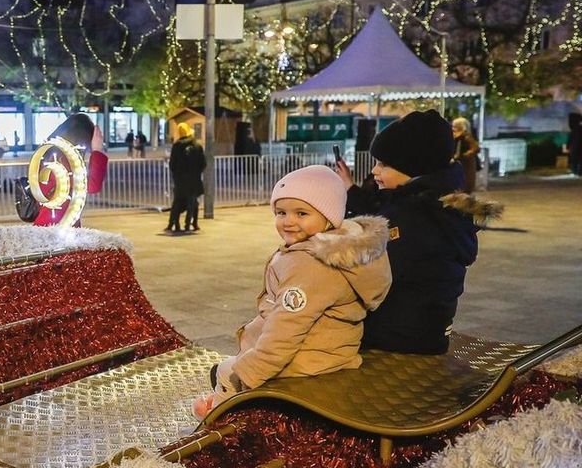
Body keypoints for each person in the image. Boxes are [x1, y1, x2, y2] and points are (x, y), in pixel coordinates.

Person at [194, 165, 391, 417]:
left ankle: (219, 424)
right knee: (237, 363)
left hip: (310, 355)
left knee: (227, 371)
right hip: (331, 349)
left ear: (329, 216)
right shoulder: (329, 246)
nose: (288, 221)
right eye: (281, 212)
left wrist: (250, 370)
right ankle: (225, 403)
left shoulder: (309, 265)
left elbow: (286, 329)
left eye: (301, 213)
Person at [335, 109, 500, 355]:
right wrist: (351, 189)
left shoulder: (417, 217)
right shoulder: (430, 203)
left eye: (383, 164)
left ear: (413, 167)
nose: (374, 171)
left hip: (400, 335)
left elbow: (377, 273)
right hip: (426, 330)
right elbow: (381, 208)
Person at [33, 113, 107, 227]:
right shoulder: (64, 159)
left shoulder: (50, 152)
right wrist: (97, 150)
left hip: (51, 222)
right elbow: (92, 186)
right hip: (57, 225)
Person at [167, 122, 206, 233]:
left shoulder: (176, 146)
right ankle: (190, 224)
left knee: (177, 202)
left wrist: (177, 175)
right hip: (194, 180)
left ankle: (174, 224)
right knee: (193, 202)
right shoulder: (197, 146)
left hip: (180, 181)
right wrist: (197, 173)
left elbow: (172, 164)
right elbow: (203, 163)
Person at [451, 117, 481, 193]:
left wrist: (466, 155)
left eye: (455, 126)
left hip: (465, 165)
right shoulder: (453, 136)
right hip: (455, 164)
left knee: (465, 185)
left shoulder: (467, 137)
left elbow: (475, 148)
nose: (453, 128)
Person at [567, 113, 582, 177]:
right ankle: (577, 171)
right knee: (577, 159)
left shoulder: (575, 129)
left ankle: (576, 171)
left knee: (576, 159)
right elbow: (570, 138)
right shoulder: (576, 129)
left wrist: (568, 146)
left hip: (576, 146)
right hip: (576, 146)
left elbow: (571, 138)